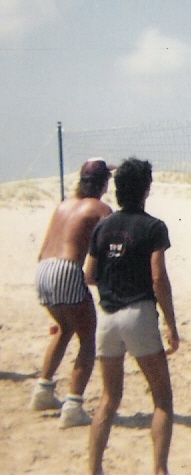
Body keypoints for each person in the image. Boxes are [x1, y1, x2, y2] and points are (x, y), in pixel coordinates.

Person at [85, 158, 179, 475]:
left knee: (109, 399)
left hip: (107, 316)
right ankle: (159, 470)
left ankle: (94, 469)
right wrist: (170, 323)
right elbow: (158, 278)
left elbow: (88, 274)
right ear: (146, 190)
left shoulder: (102, 225)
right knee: (162, 398)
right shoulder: (153, 226)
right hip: (138, 312)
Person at [30, 158, 113, 428]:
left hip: (43, 269)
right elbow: (110, 244)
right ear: (103, 183)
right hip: (67, 269)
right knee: (88, 339)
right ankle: (73, 405)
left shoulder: (62, 205)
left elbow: (42, 248)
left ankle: (42, 391)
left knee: (64, 328)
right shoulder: (100, 208)